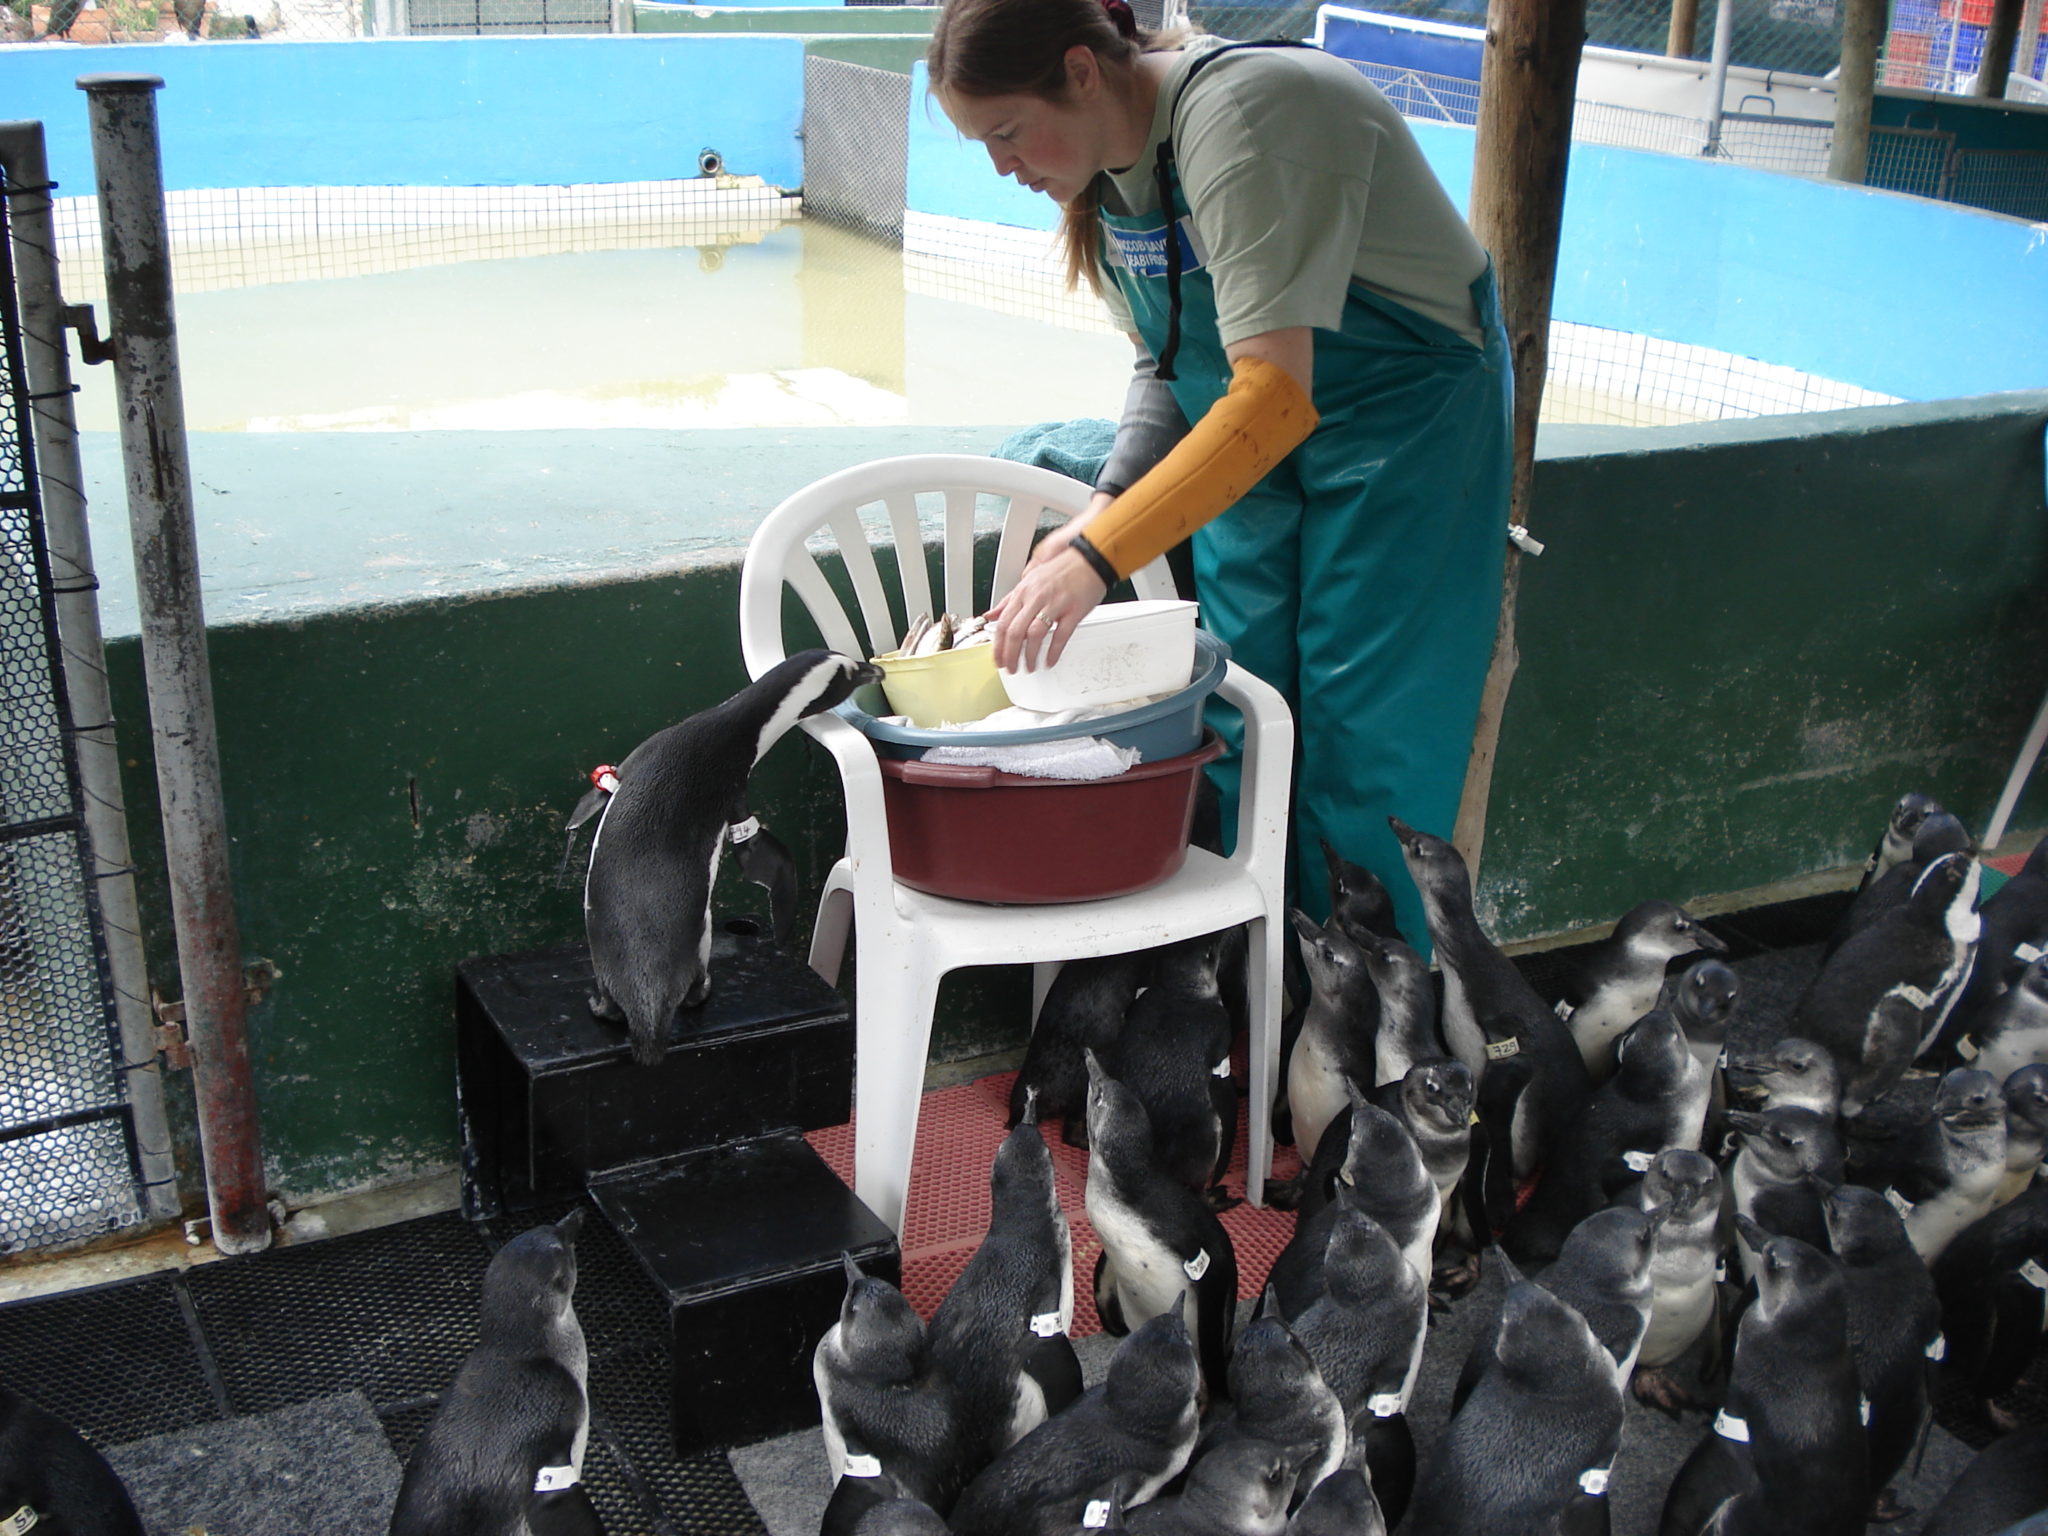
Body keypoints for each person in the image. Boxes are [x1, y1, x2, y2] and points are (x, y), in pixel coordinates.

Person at [929, 0, 1511, 944]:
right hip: (1239, 451)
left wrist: (1100, 555)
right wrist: (1106, 504)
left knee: (1366, 743)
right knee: (1242, 708)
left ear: (1082, 71)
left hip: (1402, 424)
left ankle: (1365, 1026)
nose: (1002, 165)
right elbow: (1174, 358)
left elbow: (1276, 393)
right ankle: (1259, 987)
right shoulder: (1110, 174)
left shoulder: (1239, 114)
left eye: (1005, 132)